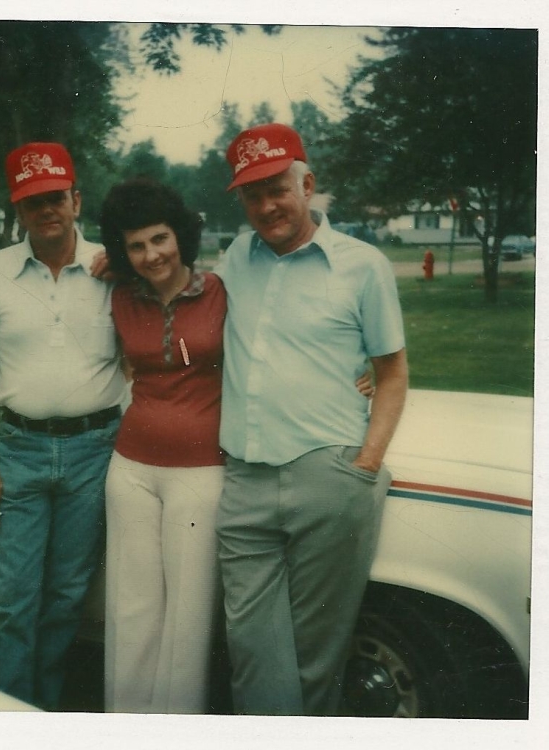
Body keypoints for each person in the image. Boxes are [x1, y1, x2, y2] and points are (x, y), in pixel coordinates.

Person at [215, 123, 408, 716]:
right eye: (252, 195)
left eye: (277, 189)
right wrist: (117, 266)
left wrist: (366, 463)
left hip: (329, 476)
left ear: (307, 184)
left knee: (315, 655)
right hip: (244, 482)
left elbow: (392, 372)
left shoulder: (363, 265)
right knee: (251, 648)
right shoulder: (234, 258)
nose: (266, 206)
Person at [0, 142, 126, 709]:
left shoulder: (112, 266)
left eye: (55, 197)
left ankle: (43, 715)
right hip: (20, 451)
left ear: (76, 200)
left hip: (95, 452)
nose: (46, 210)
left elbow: (160, 336)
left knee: (66, 598)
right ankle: (5, 720)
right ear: (18, 210)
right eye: (33, 203)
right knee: (13, 603)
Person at [98, 178, 226, 714]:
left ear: (181, 236)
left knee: (187, 612)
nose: (151, 255)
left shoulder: (221, 290)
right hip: (130, 469)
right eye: (136, 245)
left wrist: (355, 373)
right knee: (132, 606)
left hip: (200, 471)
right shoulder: (120, 297)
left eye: (159, 239)